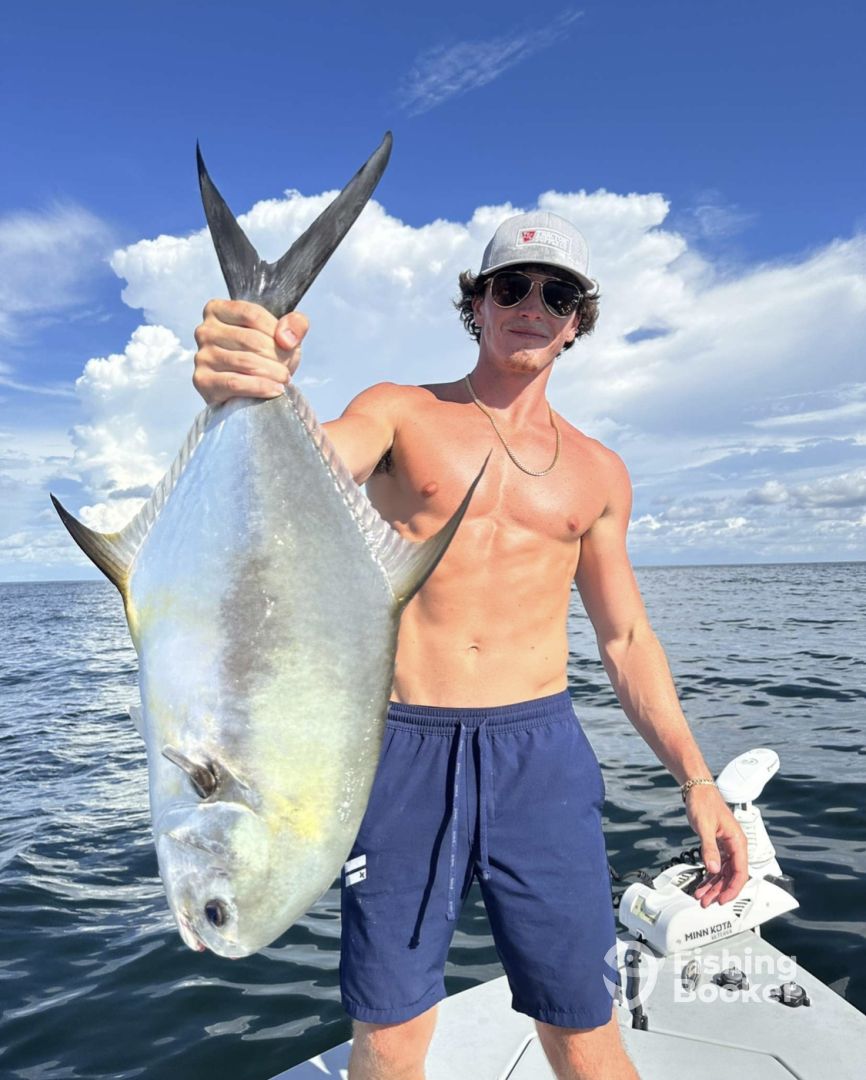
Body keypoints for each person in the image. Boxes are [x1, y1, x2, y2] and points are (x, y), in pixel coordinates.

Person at [193, 209, 749, 1080]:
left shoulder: (599, 471)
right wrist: (254, 387)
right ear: (478, 304)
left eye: (557, 294)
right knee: (390, 1035)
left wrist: (698, 781)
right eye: (512, 286)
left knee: (583, 1025)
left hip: (540, 756)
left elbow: (626, 637)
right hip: (401, 749)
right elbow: (301, 468)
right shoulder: (398, 412)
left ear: (577, 321)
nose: (532, 305)